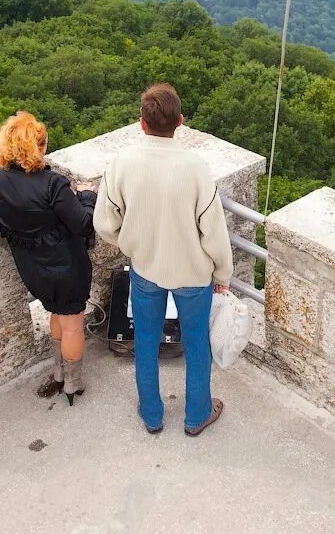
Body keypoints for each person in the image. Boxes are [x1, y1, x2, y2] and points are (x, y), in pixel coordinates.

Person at [94, 84, 233, 436]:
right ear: (180, 122)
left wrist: (131, 243)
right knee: (197, 341)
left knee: (145, 339)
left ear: (142, 123)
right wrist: (223, 272)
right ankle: (197, 414)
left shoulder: (123, 163)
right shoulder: (196, 168)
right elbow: (214, 233)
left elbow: (104, 223)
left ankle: (152, 414)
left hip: (146, 270)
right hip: (193, 275)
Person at [0, 111, 97, 406]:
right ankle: (73, 384)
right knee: (73, 321)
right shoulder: (52, 185)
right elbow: (84, 224)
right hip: (65, 266)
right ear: (39, 148)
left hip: (32, 266)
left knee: (55, 313)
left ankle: (58, 373)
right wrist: (87, 196)